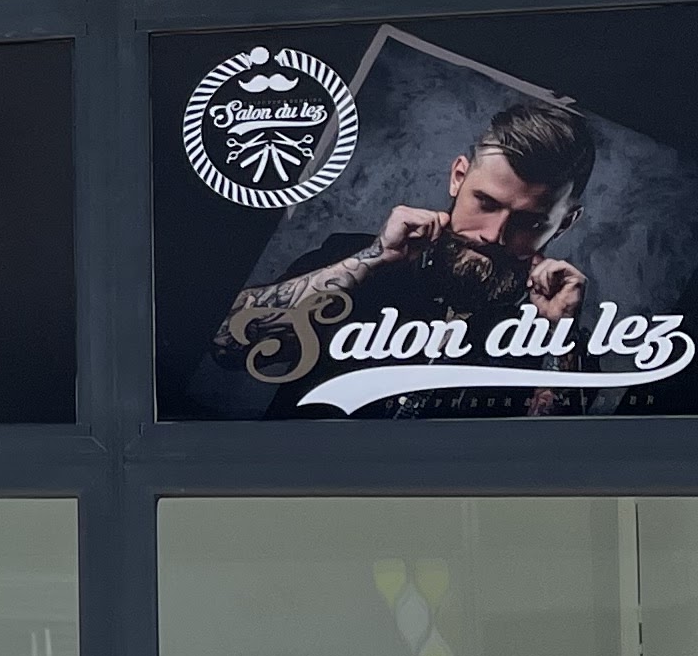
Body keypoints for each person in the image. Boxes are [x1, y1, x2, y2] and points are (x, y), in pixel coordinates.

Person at [221, 93, 596, 415]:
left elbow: (558, 459)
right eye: (485, 203)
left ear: (564, 224)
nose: (493, 235)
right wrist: (373, 259)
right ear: (458, 177)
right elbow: (226, 344)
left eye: (529, 222)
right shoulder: (354, 259)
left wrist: (557, 332)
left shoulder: (558, 335)